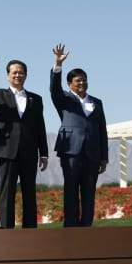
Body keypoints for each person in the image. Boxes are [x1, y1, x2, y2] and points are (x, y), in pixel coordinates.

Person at [0, 55, 48, 228]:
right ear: (8, 75)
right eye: (14, 72)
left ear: (26, 75)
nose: (18, 75)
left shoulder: (36, 99)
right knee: (7, 192)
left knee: (29, 192)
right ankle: (6, 230)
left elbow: (40, 127)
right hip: (7, 150)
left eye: (21, 72)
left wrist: (44, 153)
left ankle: (30, 229)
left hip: (29, 152)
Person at [50, 43, 108, 227]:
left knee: (89, 191)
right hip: (71, 151)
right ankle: (71, 227)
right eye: (77, 81)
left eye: (84, 79)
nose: (82, 83)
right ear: (70, 84)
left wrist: (104, 157)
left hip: (92, 153)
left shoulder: (97, 102)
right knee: (71, 190)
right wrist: (57, 65)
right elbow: (54, 89)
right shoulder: (64, 99)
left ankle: (86, 227)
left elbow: (102, 130)